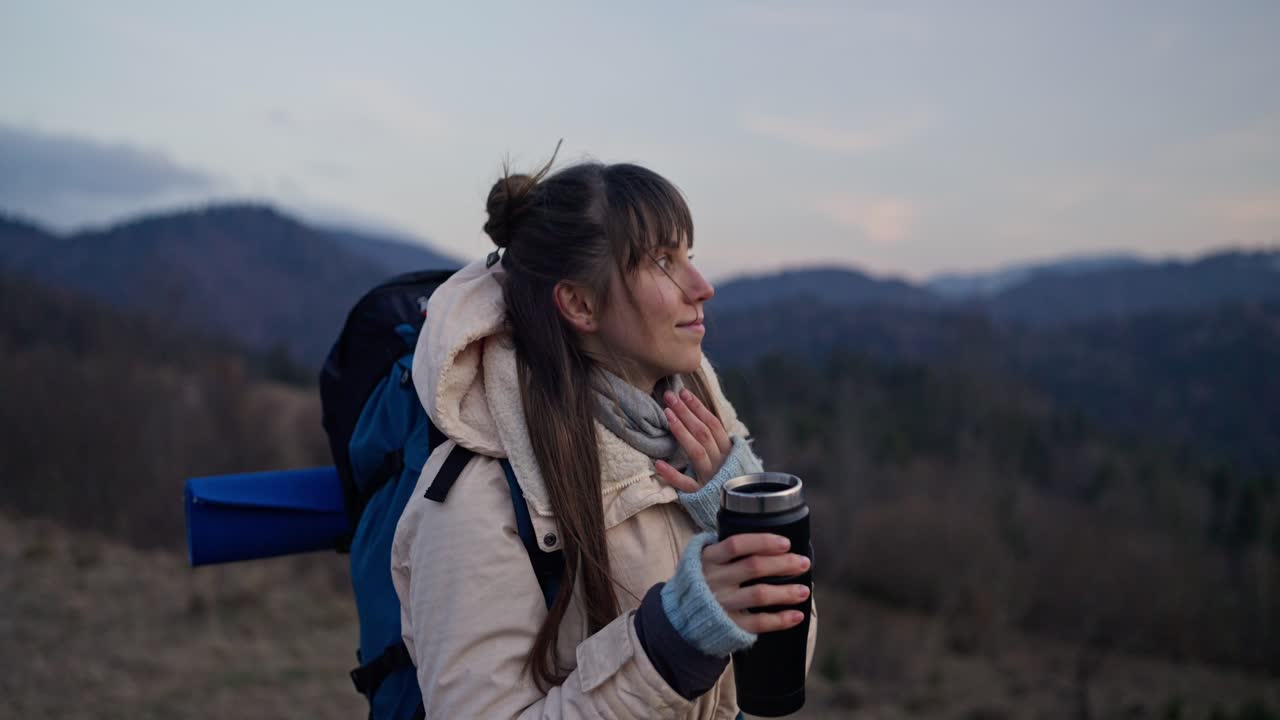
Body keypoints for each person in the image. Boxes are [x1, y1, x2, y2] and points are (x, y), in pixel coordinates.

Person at [391, 155, 817, 719]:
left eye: (689, 255)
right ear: (580, 304)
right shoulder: (479, 496)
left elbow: (789, 661)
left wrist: (736, 514)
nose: (702, 286)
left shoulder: (703, 447)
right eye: (663, 262)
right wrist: (674, 642)